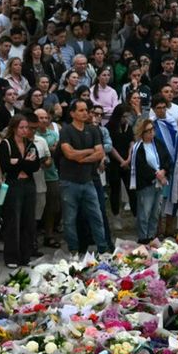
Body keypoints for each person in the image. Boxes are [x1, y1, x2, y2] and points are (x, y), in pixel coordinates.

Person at [56, 98, 114, 255]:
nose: (85, 113)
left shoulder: (93, 130)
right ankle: (74, 250)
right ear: (73, 113)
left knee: (96, 216)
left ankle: (103, 250)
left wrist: (81, 158)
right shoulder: (66, 131)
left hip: (88, 180)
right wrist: (89, 151)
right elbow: (69, 153)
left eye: (86, 110)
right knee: (69, 219)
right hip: (69, 181)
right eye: (81, 110)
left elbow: (100, 153)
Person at [0, 116, 49, 263]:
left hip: (28, 183)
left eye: (26, 127)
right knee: (13, 221)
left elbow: (34, 166)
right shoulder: (6, 143)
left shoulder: (30, 144)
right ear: (14, 128)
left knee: (28, 220)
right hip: (13, 184)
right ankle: (11, 257)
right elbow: (6, 166)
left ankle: (25, 255)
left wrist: (18, 162)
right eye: (21, 127)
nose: (25, 130)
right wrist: (23, 162)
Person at [126, 116, 170, 241]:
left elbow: (166, 158)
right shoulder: (138, 148)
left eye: (152, 130)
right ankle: (143, 238)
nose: (152, 133)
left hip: (158, 183)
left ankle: (151, 236)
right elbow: (142, 167)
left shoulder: (158, 143)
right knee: (144, 213)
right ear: (142, 132)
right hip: (146, 184)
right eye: (148, 131)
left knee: (155, 213)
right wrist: (157, 174)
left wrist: (164, 171)